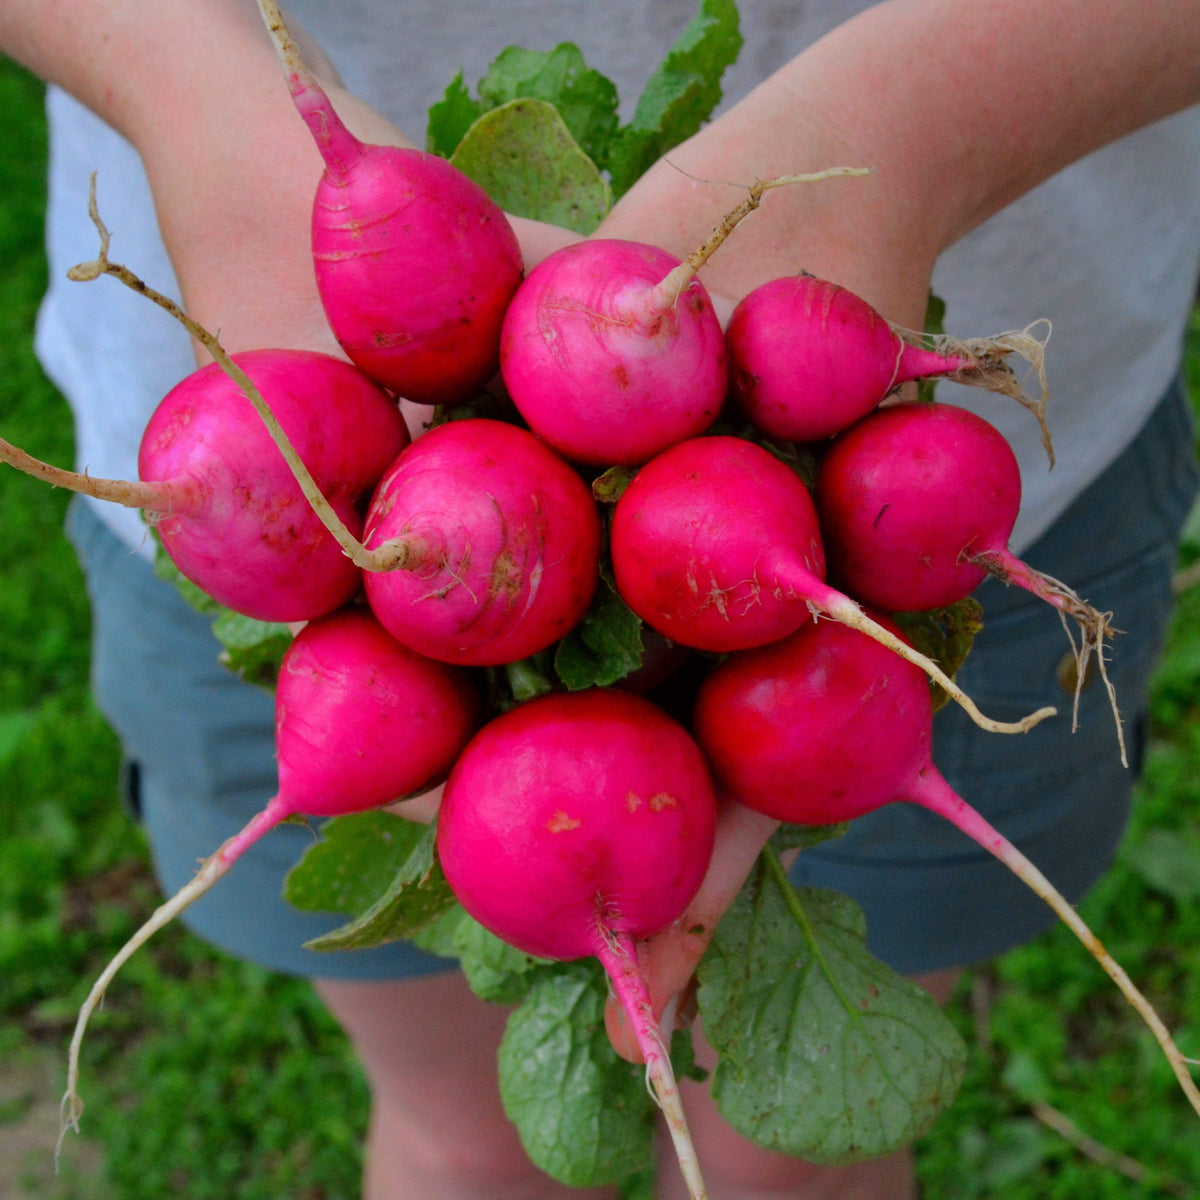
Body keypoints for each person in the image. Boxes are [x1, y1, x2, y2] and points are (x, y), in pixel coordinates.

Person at [3, 1, 1199, 1196]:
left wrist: (915, 135)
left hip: (999, 438)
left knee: (788, 1175)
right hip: (237, 267)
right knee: (458, 1142)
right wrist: (192, 96)